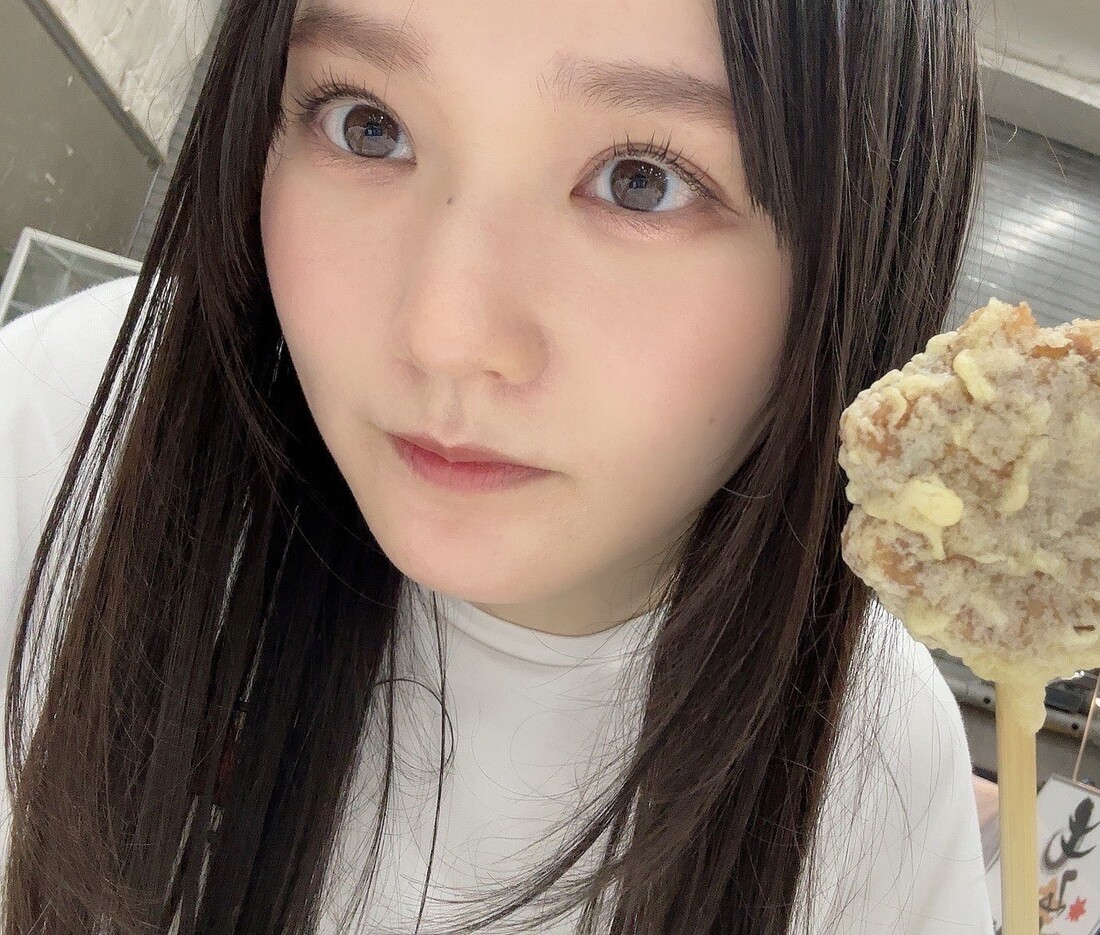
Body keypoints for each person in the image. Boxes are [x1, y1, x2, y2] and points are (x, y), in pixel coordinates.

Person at [0, 0, 990, 931]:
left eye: (640, 179)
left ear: (863, 250)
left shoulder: (872, 761)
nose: (445, 334)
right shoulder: (70, 429)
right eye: (367, 126)